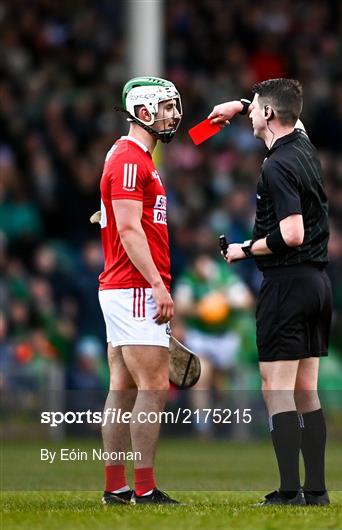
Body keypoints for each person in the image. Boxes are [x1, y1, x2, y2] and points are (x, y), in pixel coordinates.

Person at [208, 78, 332, 506]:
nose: (253, 114)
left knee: (274, 387)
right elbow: (289, 119)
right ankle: (315, 491)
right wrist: (242, 105)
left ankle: (288, 491)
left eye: (257, 107)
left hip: (288, 283)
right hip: (318, 285)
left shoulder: (276, 165)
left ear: (269, 115)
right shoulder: (304, 146)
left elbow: (292, 233)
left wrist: (245, 249)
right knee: (306, 390)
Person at [98, 76, 182, 505]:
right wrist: (157, 286)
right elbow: (130, 230)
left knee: (123, 388)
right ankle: (144, 489)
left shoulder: (129, 156)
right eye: (165, 107)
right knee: (152, 387)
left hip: (121, 286)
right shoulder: (131, 160)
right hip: (134, 287)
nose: (173, 114)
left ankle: (116, 486)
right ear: (143, 112)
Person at [174, 252, 253, 437]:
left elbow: (247, 301)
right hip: (200, 336)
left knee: (231, 382)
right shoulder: (189, 279)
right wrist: (201, 308)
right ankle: (204, 429)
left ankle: (240, 429)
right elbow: (180, 306)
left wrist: (224, 300)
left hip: (225, 337)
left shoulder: (225, 277)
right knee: (201, 377)